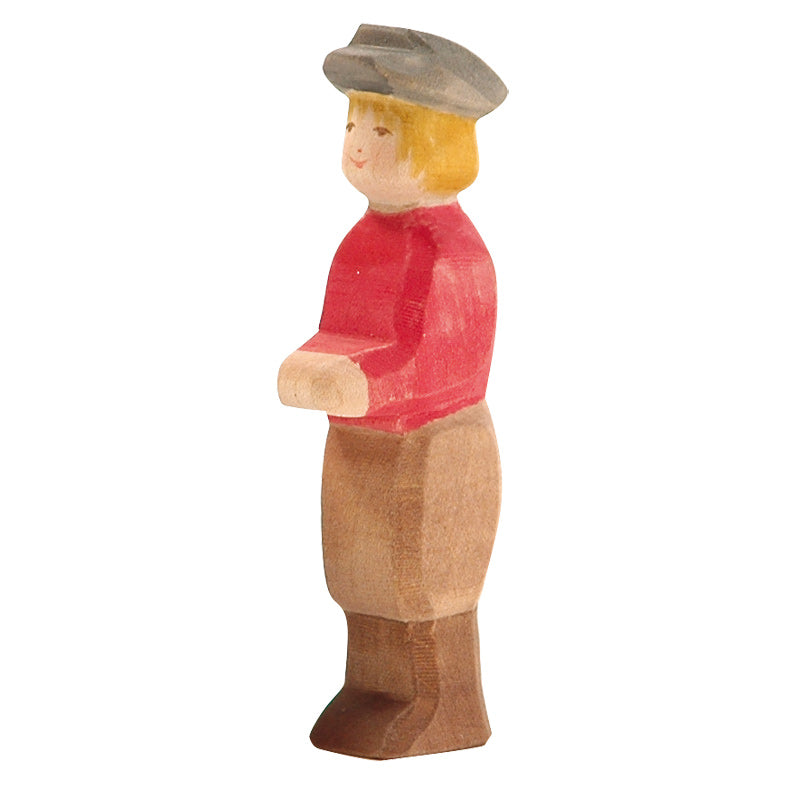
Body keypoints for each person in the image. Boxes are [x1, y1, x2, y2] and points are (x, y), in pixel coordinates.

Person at [278, 25, 507, 759]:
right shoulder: (361, 240)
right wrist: (314, 367)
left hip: (435, 446)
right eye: (353, 125)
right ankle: (370, 688)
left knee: (422, 587)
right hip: (361, 443)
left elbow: (438, 363)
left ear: (439, 143)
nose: (358, 145)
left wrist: (354, 381)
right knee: (361, 580)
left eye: (382, 130)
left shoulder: (452, 252)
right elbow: (338, 332)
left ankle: (437, 702)